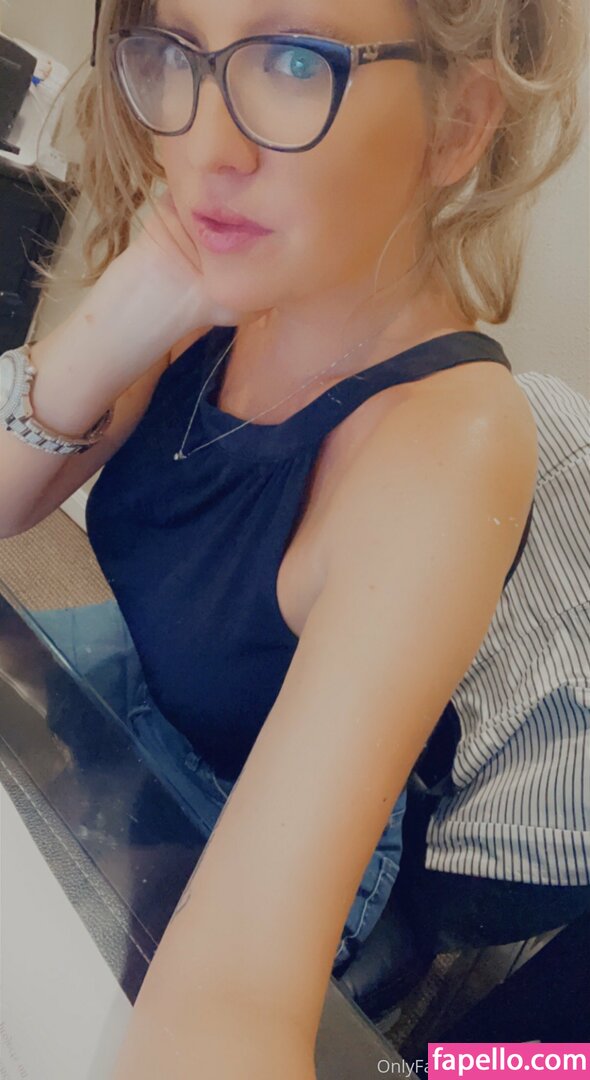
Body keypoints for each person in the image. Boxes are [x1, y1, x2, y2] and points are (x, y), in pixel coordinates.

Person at [0, 0, 587, 1074]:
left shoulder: (444, 447)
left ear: (458, 123)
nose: (203, 145)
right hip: (133, 707)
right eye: (177, 50)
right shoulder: (236, 278)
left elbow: (237, 990)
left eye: (291, 60)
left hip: (243, 821)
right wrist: (125, 308)